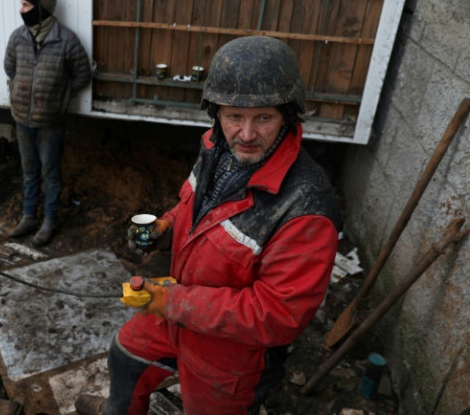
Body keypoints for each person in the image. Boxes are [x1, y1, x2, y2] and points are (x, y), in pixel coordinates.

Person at [75, 35, 342, 414]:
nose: (247, 134)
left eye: (263, 118)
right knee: (125, 353)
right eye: (235, 116)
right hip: (180, 315)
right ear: (215, 113)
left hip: (231, 356)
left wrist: (174, 301)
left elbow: (278, 315)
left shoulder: (306, 208)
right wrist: (164, 229)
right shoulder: (217, 151)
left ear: (287, 115)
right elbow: (194, 210)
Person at [4, 0, 91, 246]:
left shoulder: (66, 39)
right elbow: (10, 68)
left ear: (42, 8)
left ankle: (49, 221)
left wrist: (60, 99)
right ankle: (29, 216)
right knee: (29, 171)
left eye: (27, 4)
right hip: (21, 119)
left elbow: (82, 75)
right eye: (21, 4)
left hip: (50, 122)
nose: (21, 9)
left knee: (50, 173)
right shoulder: (18, 37)